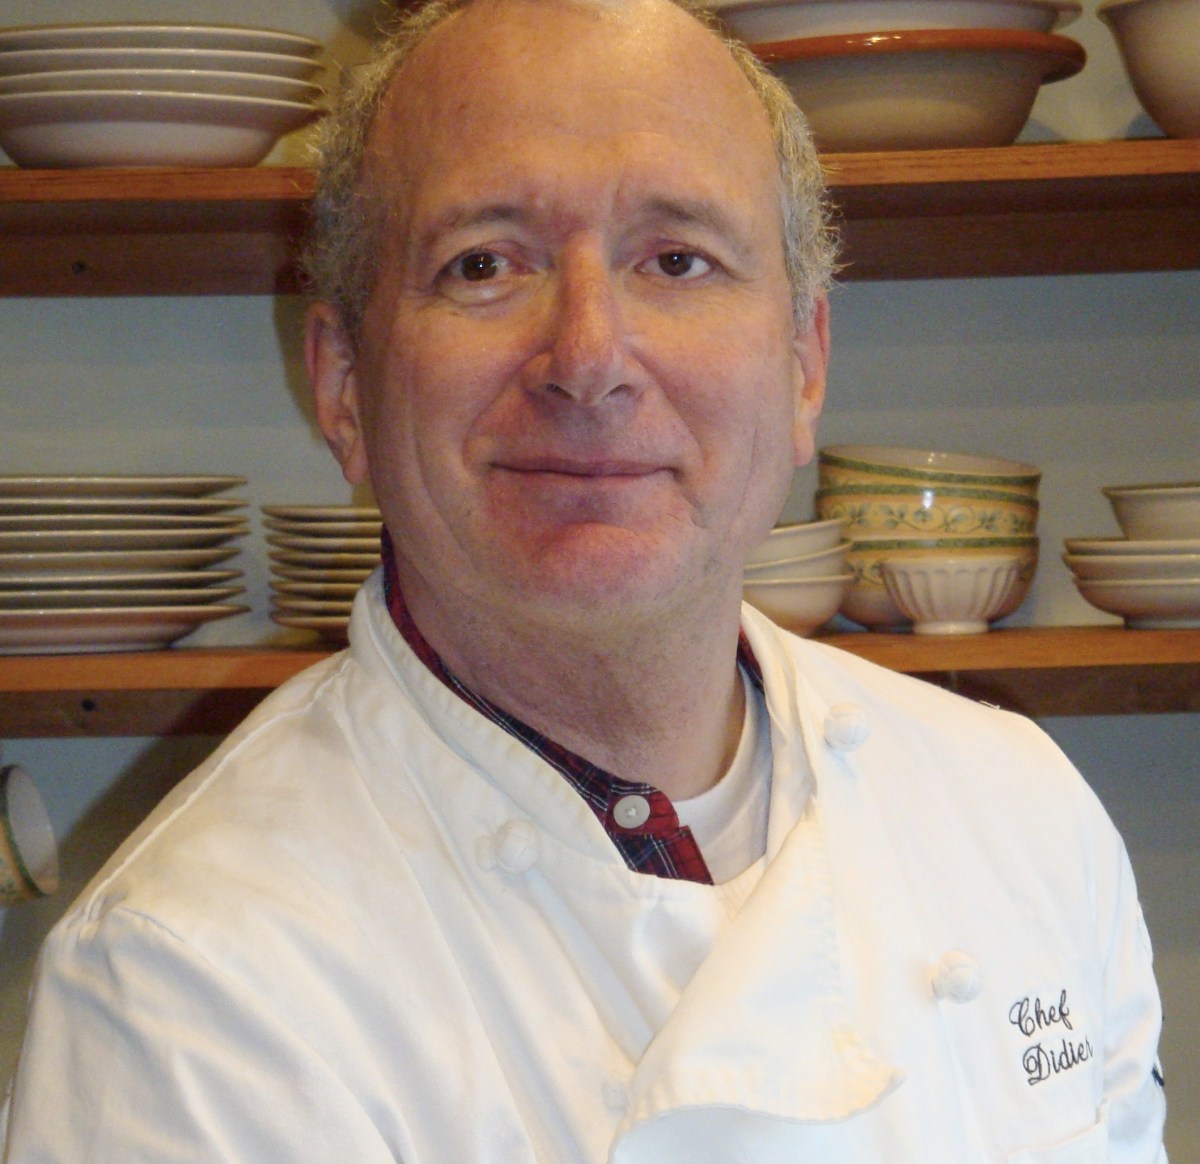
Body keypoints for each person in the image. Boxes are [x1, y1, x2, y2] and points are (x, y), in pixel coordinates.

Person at [1, 0, 1167, 1158]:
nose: (590, 358)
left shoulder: (1021, 812)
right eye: (483, 264)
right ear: (345, 386)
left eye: (677, 258)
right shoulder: (187, 992)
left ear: (805, 364)